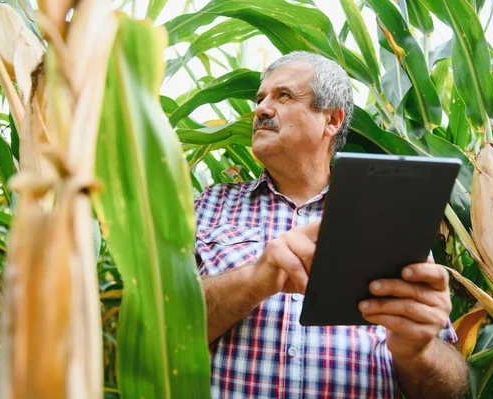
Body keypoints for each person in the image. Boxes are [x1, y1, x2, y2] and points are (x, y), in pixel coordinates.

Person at [194, 51, 469, 398]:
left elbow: (451, 390)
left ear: (332, 120)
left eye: (284, 95)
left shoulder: (389, 218)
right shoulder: (209, 206)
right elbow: (159, 329)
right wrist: (255, 279)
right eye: (260, 98)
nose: (261, 109)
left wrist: (419, 349)